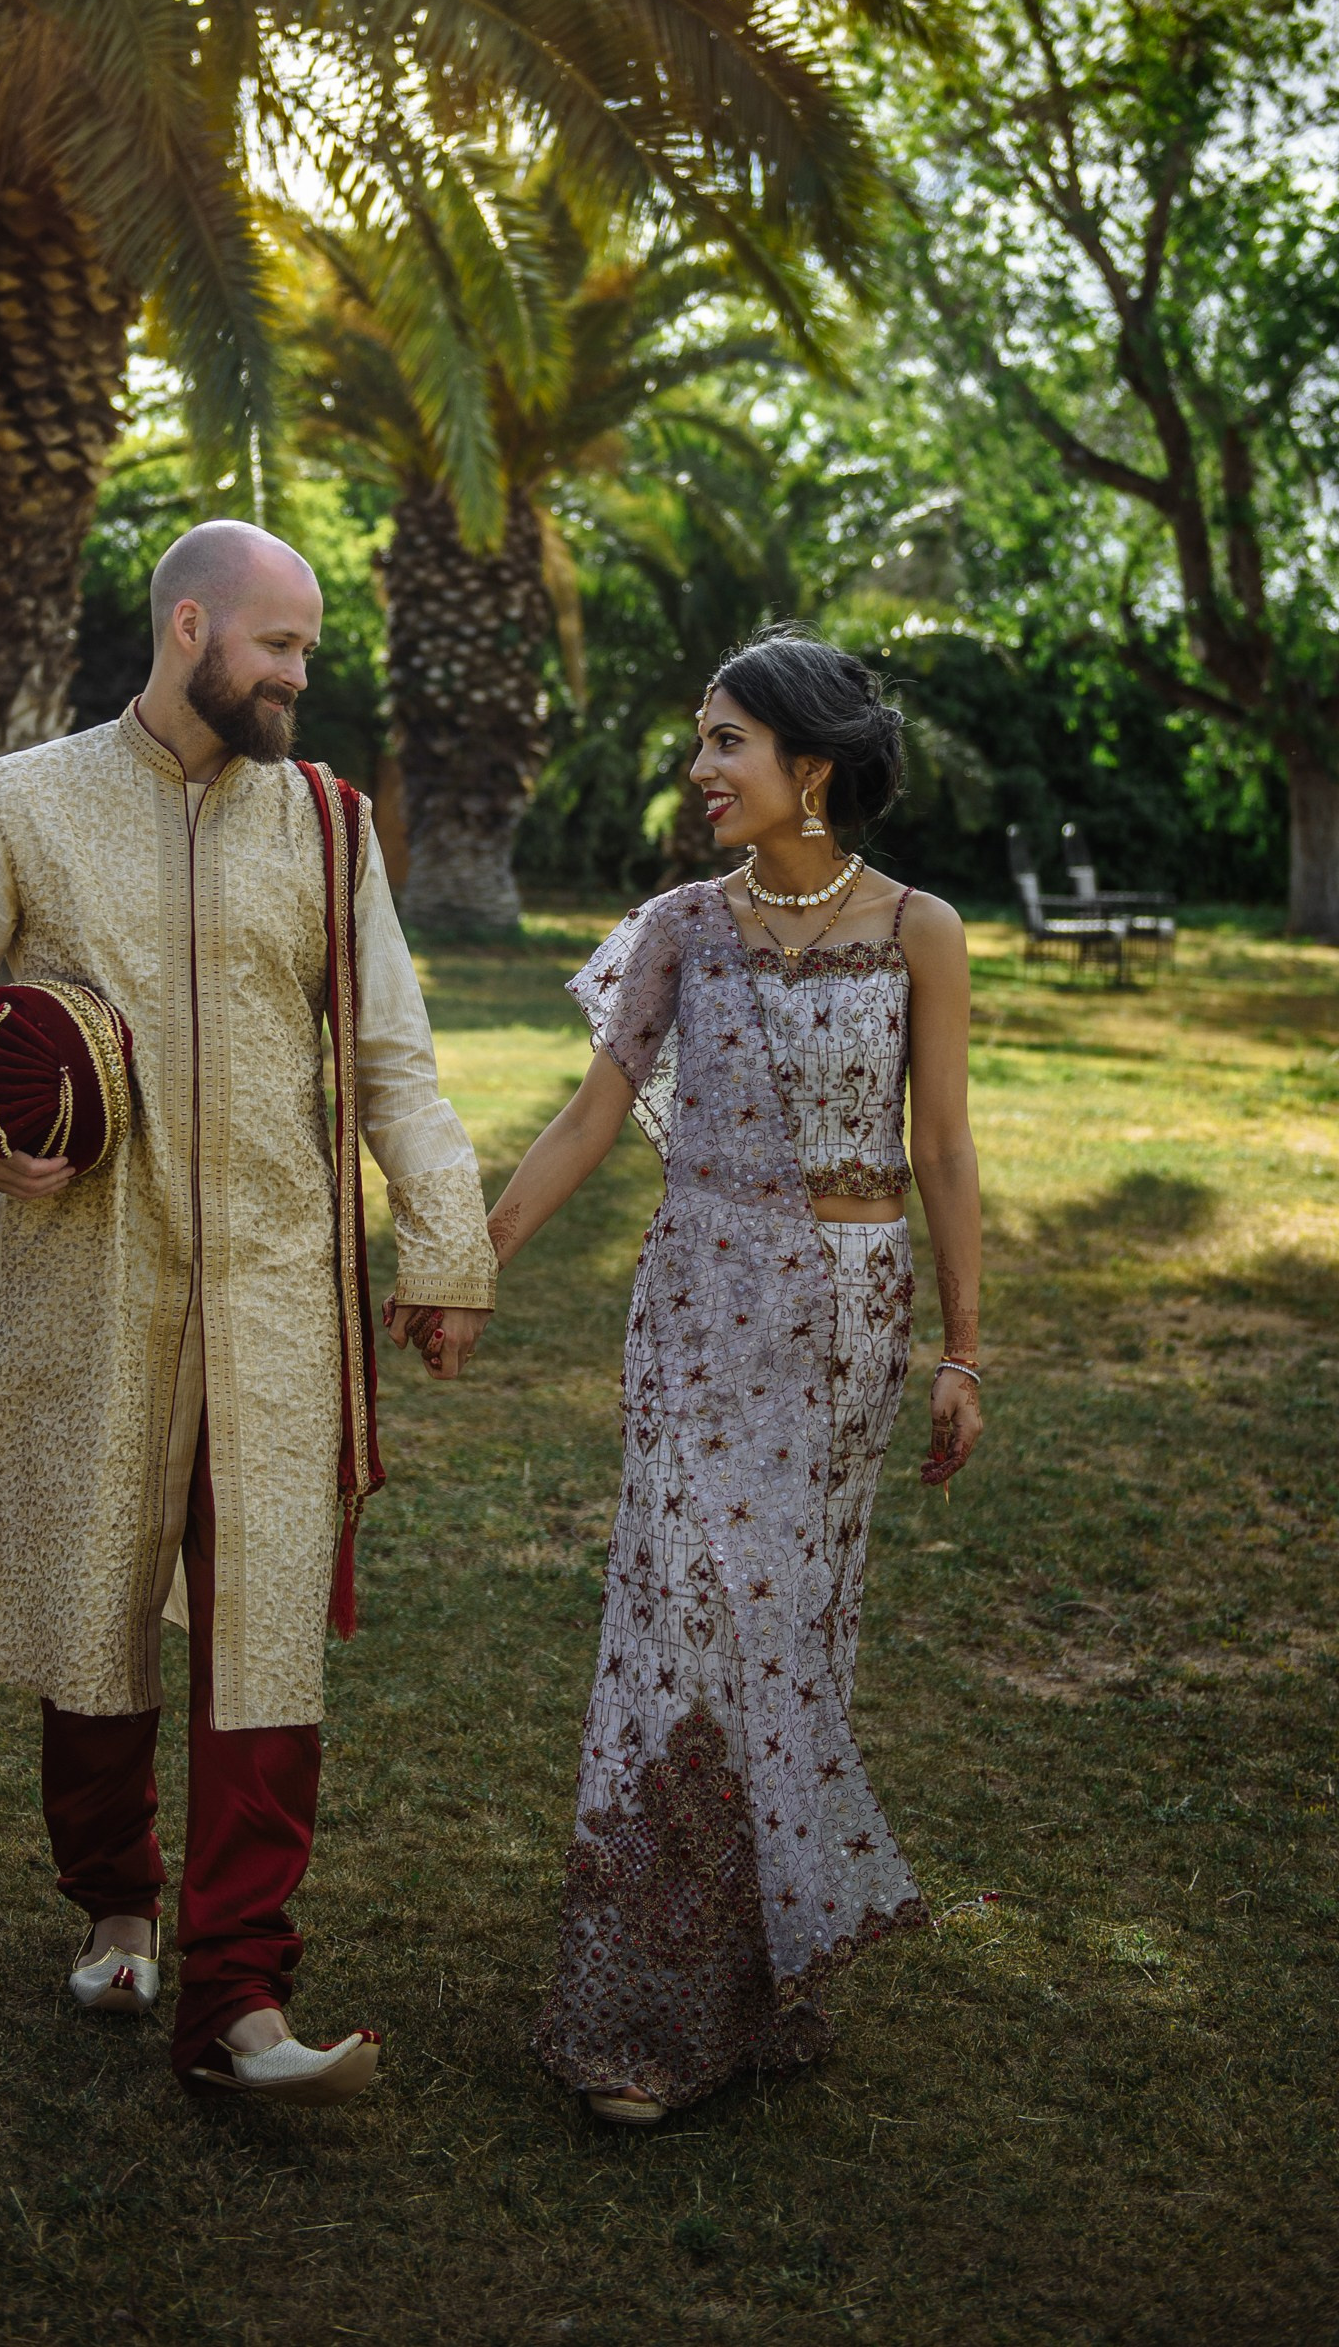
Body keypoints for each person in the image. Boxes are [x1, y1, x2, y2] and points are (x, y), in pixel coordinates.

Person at [0, 521, 496, 2104]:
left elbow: (394, 1063)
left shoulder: (330, 822)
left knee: (265, 1630)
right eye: (279, 647)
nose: (299, 677)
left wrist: (444, 1247)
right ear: (192, 627)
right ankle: (115, 1899)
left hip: (282, 1298)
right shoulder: (21, 802)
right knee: (97, 1605)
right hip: (93, 1276)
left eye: (309, 651)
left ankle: (240, 1997)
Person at [485, 628, 983, 2126]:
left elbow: (944, 1146)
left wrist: (966, 1350)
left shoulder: (919, 929)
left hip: (846, 1327)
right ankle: (644, 2007)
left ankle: (753, 1985)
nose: (699, 771)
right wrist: (474, 1253)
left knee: (792, 1637)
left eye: (725, 743)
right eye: (700, 742)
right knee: (682, 1622)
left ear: (807, 767)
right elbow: (588, 1120)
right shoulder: (677, 930)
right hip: (700, 1308)